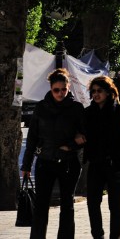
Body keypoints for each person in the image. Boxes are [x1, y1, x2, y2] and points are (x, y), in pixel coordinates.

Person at [21, 68, 86, 239]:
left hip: (69, 163)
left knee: (67, 205)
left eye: (63, 89)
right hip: (45, 161)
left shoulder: (76, 108)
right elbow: (33, 138)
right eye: (56, 90)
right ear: (50, 88)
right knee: (41, 205)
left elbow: (85, 135)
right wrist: (26, 165)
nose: (60, 93)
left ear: (68, 87)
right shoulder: (41, 108)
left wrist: (71, 146)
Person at [84, 75, 120, 239]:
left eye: (100, 91)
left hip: (115, 163)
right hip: (95, 163)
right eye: (93, 91)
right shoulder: (88, 112)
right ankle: (98, 235)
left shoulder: (119, 109)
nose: (96, 94)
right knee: (92, 203)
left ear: (108, 92)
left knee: (114, 204)